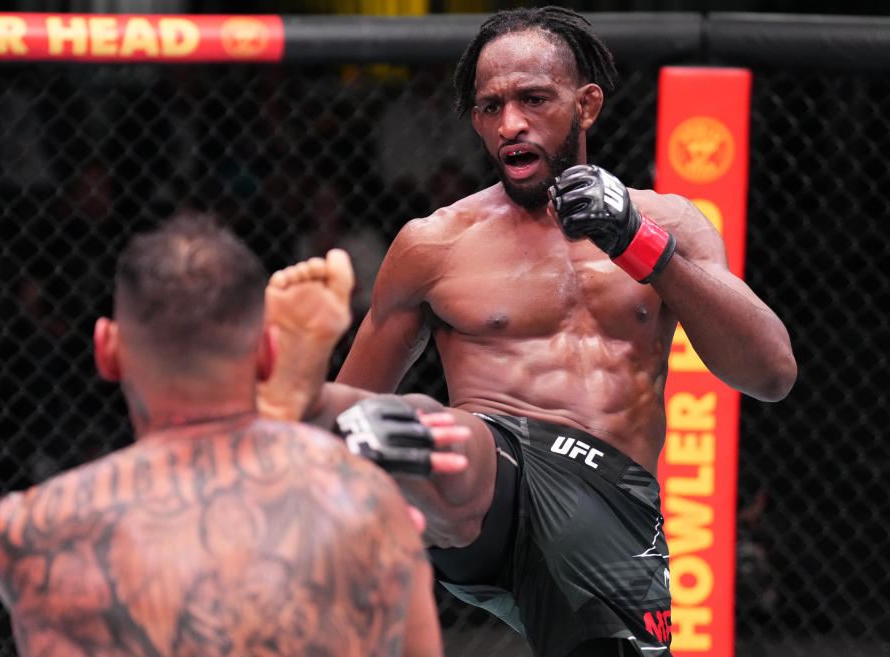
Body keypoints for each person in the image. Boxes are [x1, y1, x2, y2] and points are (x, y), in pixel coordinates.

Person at [268, 7, 797, 657]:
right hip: (486, 483)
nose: (509, 123)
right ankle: (295, 395)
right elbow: (356, 402)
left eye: (532, 99)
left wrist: (641, 246)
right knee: (412, 430)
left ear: (587, 104)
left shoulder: (669, 222)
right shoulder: (435, 245)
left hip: (607, 502)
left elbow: (771, 371)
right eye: (490, 107)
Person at [0, 213, 459, 657]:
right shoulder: (372, 505)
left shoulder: (31, 530)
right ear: (268, 355)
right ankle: (296, 414)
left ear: (106, 350)